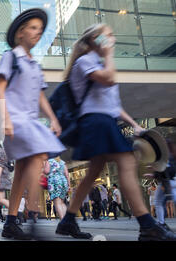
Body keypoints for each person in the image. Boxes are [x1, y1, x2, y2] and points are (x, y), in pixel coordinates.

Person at [55, 23, 175, 241]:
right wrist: (109, 54)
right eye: (107, 36)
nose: (112, 39)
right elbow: (108, 78)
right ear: (94, 39)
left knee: (92, 173)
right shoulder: (85, 62)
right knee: (127, 163)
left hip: (103, 120)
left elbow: (113, 105)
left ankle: (68, 221)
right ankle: (147, 225)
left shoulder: (98, 62)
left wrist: (135, 124)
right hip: (95, 121)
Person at [0, 8, 65, 240]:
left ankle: (11, 223)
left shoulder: (34, 64)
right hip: (15, 121)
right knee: (38, 156)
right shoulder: (11, 56)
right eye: (33, 28)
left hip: (31, 122)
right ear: (20, 33)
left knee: (23, 171)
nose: (38, 33)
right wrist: (5, 119)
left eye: (40, 30)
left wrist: (53, 118)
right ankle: (34, 217)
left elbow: (40, 97)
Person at [143, 139, 176, 231]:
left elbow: (164, 171)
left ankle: (161, 222)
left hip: (167, 182)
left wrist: (153, 174)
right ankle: (161, 222)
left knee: (158, 202)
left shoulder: (165, 156)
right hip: (173, 181)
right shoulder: (172, 155)